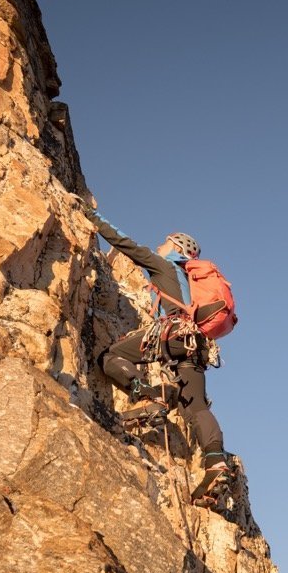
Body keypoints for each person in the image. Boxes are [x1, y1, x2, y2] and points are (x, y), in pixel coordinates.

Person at [81, 200, 231, 502]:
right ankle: (216, 462)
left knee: (110, 356)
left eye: (165, 243)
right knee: (197, 408)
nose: (160, 247)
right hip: (196, 348)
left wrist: (90, 214)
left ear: (176, 247)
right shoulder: (192, 282)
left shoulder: (165, 266)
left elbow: (125, 244)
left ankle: (149, 393)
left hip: (174, 336)